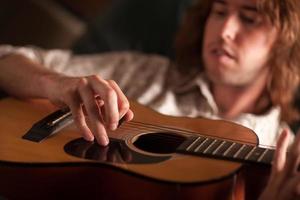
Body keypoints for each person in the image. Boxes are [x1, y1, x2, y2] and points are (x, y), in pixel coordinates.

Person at [0, 0, 299, 199]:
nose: (225, 31)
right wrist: (58, 84)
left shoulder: (281, 159)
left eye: (249, 19)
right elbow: (6, 60)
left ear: (286, 43)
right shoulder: (146, 72)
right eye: (219, 12)